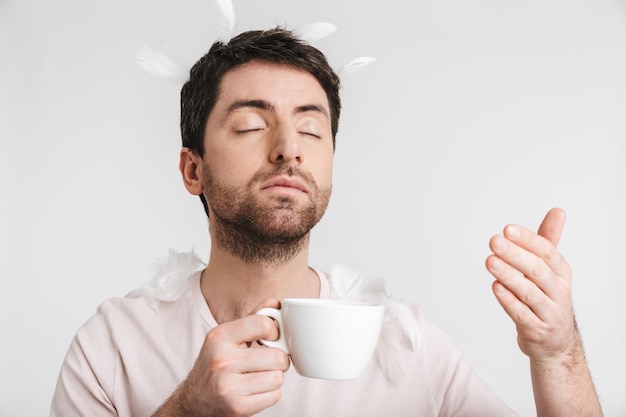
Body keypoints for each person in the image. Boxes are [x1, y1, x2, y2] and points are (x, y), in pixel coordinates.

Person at [51, 28, 603, 417]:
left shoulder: (411, 347)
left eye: (312, 132)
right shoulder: (112, 348)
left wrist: (559, 354)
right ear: (192, 169)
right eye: (249, 126)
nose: (289, 149)